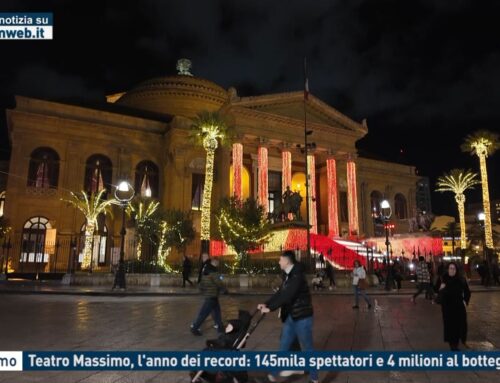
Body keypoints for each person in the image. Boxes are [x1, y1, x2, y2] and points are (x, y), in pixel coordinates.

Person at [257, 250, 318, 383]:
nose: (279, 262)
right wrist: (266, 303)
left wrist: (271, 308)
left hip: (302, 317)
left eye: (280, 260)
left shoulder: (297, 276)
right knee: (283, 346)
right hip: (291, 316)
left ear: (286, 261)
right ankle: (272, 376)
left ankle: (314, 379)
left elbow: (288, 294)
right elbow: (280, 292)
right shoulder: (287, 275)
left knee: (308, 348)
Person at [438, 262, 471, 351]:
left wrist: (465, 301)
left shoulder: (461, 280)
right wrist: (441, 288)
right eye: (450, 268)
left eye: (453, 269)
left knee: (461, 325)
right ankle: (453, 345)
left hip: (459, 307)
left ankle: (460, 341)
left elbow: (467, 292)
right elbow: (436, 292)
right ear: (447, 269)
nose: (452, 270)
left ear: (456, 270)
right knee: (450, 327)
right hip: (447, 308)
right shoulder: (443, 279)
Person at [190, 257, 226, 336]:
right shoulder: (214, 272)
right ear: (215, 262)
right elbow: (219, 283)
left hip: (210, 296)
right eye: (218, 262)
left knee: (217, 313)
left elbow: (201, 285)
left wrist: (204, 291)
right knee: (203, 314)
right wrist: (224, 290)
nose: (219, 264)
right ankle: (195, 328)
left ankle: (220, 328)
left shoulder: (205, 271)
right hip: (212, 296)